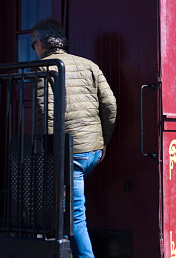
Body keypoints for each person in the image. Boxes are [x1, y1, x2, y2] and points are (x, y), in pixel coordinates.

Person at [31, 18, 117, 258]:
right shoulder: (89, 65)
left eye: (32, 45)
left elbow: (43, 110)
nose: (34, 49)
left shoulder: (43, 67)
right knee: (67, 206)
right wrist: (104, 142)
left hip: (70, 152)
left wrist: (48, 149)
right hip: (93, 151)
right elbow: (110, 105)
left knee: (75, 213)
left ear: (40, 43)